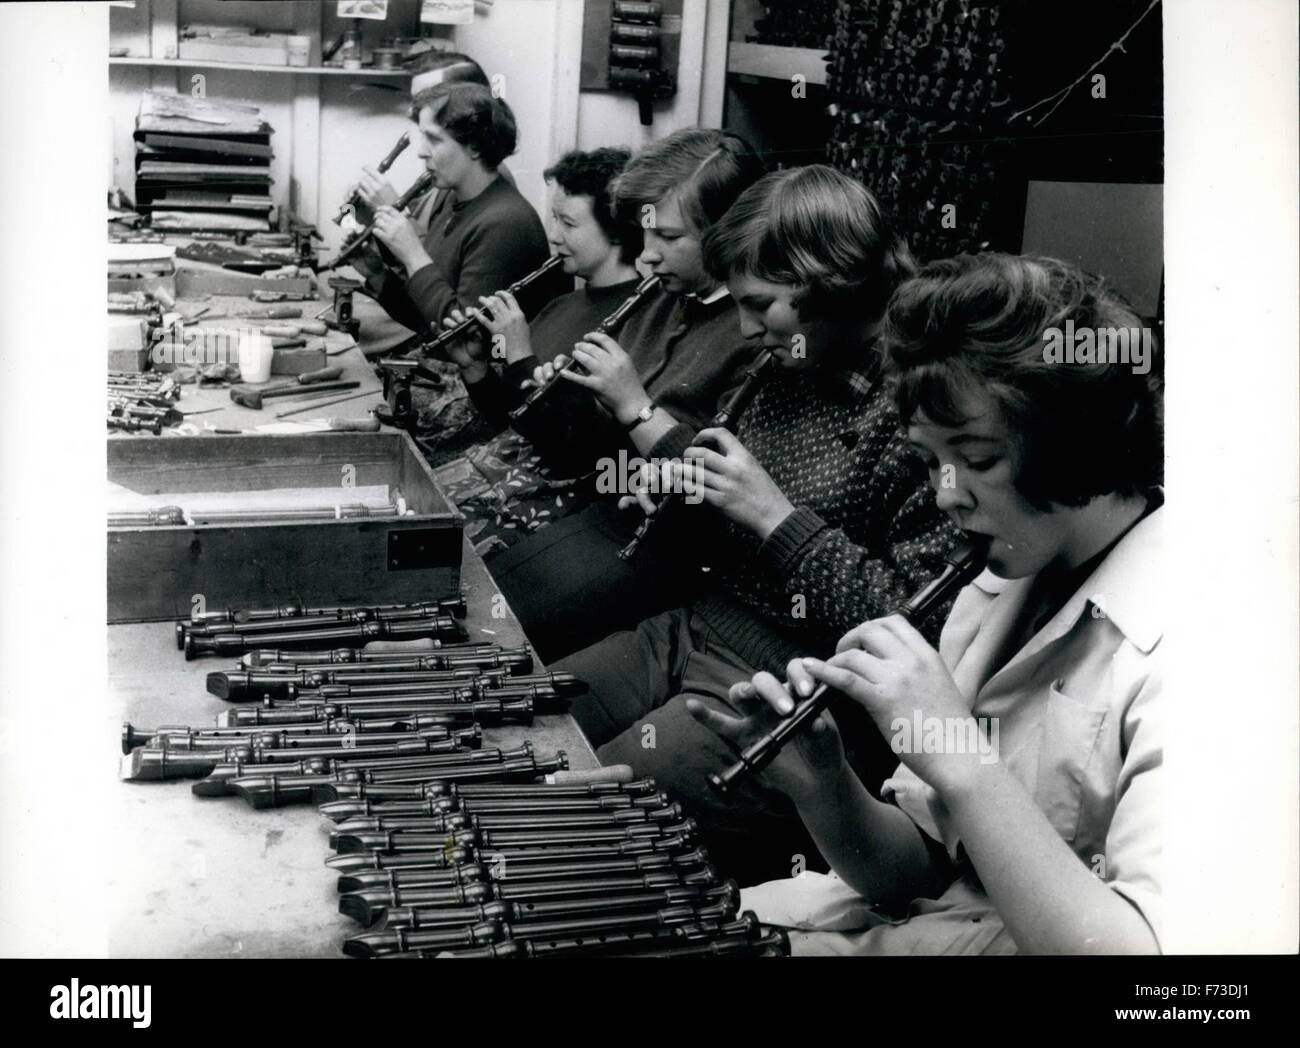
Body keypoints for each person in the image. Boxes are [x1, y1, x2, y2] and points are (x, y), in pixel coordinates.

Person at [691, 252, 1165, 954]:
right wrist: (823, 786)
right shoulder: (995, 584)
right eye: (931, 459)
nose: (947, 493)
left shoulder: (1197, 649)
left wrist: (962, 757)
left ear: (1079, 442)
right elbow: (916, 872)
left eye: (977, 459)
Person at [550, 165, 962, 883]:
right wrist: (679, 488)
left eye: (760, 305)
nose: (743, 328)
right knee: (524, 728)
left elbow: (923, 634)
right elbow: (724, 482)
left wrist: (776, 518)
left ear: (831, 284)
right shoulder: (788, 359)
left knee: (570, 822)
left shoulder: (925, 409)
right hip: (694, 630)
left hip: (794, 698)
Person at [484, 129, 768, 640]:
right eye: (646, 234)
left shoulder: (756, 334)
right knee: (482, 594)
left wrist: (631, 403)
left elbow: (713, 501)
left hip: (671, 556)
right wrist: (575, 400)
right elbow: (601, 457)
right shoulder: (663, 296)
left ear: (730, 233)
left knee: (500, 628)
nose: (648, 256)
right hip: (604, 511)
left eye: (670, 237)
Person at [429, 147, 648, 554]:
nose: (554, 235)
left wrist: (520, 358)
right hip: (504, 477)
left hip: (555, 506)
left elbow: (575, 455)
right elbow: (510, 420)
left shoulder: (634, 319)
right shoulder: (562, 304)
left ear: (617, 230)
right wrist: (476, 367)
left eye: (567, 222)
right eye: (554, 218)